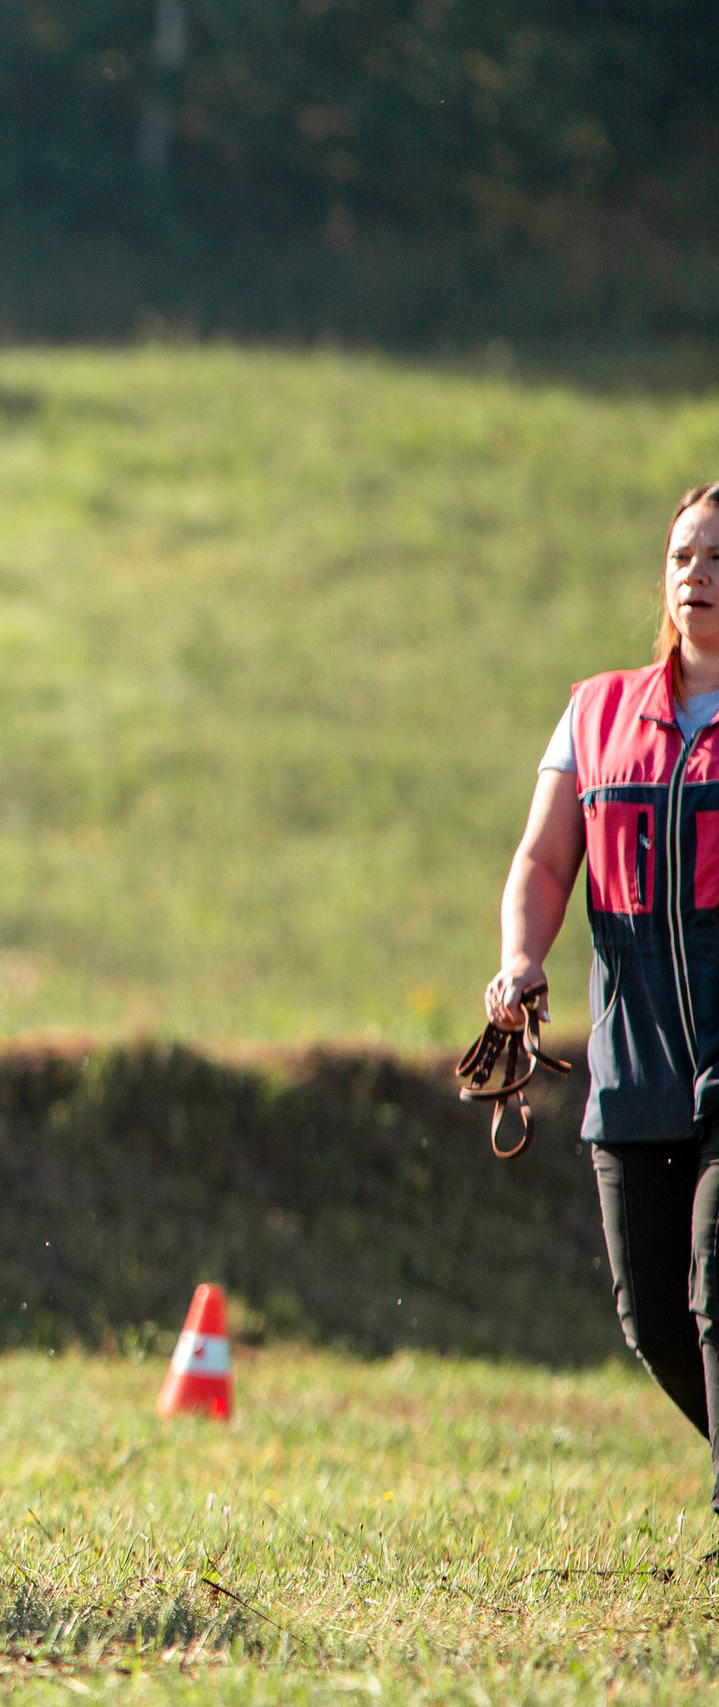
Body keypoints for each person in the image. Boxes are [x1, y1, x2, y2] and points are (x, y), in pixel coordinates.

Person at [490, 481, 719, 1509]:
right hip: (634, 1060)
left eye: (717, 559)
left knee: (717, 1288)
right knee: (653, 1318)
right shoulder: (597, 711)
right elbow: (544, 861)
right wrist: (520, 959)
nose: (696, 575)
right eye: (682, 556)